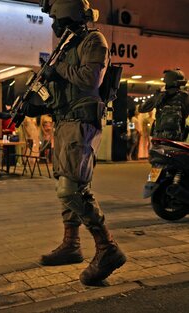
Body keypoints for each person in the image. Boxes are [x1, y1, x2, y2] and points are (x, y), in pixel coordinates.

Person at [22, 0, 126, 286]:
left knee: (71, 189)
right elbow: (61, 93)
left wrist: (59, 70)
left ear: (66, 17)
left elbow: (89, 78)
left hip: (82, 123)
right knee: (68, 183)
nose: (54, 27)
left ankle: (107, 247)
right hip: (66, 122)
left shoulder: (94, 41)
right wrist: (36, 103)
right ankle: (72, 244)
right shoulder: (68, 46)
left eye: (57, 21)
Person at [139, 69, 189, 141]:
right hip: (159, 139)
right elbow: (141, 109)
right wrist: (155, 98)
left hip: (175, 140)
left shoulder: (184, 97)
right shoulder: (161, 96)